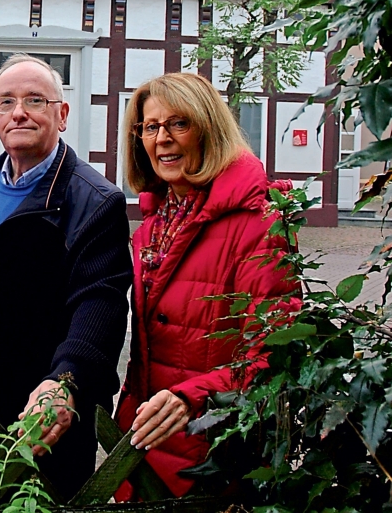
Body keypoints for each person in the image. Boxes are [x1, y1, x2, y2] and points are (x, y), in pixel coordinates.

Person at [0, 53, 133, 501]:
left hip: (49, 413)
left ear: (61, 114)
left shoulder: (94, 201)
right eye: (6, 102)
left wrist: (67, 379)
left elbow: (101, 301)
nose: (19, 112)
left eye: (35, 100)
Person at [115, 73, 293, 499]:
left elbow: (273, 354)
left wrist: (189, 397)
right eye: (151, 127)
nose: (163, 139)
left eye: (179, 123)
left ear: (208, 130)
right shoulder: (154, 226)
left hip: (213, 449)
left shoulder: (257, 223)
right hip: (145, 443)